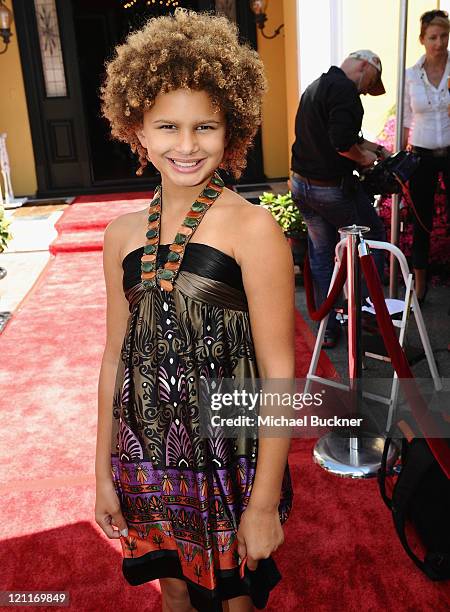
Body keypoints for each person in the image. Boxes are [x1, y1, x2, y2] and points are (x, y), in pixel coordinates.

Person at [95, 10, 294, 612]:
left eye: (204, 126)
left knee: (235, 601)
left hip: (231, 461)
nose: (186, 146)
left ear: (230, 125)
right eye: (168, 127)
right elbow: (114, 358)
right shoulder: (120, 234)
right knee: (172, 591)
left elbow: (281, 372)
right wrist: (102, 470)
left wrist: (262, 503)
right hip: (146, 455)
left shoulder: (254, 227)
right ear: (137, 130)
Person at [290, 50, 388, 348]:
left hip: (301, 185)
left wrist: (376, 149)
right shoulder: (346, 89)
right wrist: (365, 159)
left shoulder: (318, 85)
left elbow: (336, 134)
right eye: (370, 82)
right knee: (374, 241)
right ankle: (366, 316)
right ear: (363, 66)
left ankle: (328, 327)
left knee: (322, 255)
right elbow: (343, 144)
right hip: (329, 189)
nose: (366, 92)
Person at [403, 9, 450, 304]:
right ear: (422, 39)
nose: (439, 42)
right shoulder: (410, 74)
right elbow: (407, 117)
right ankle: (420, 287)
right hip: (421, 153)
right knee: (421, 221)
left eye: (444, 36)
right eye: (433, 37)